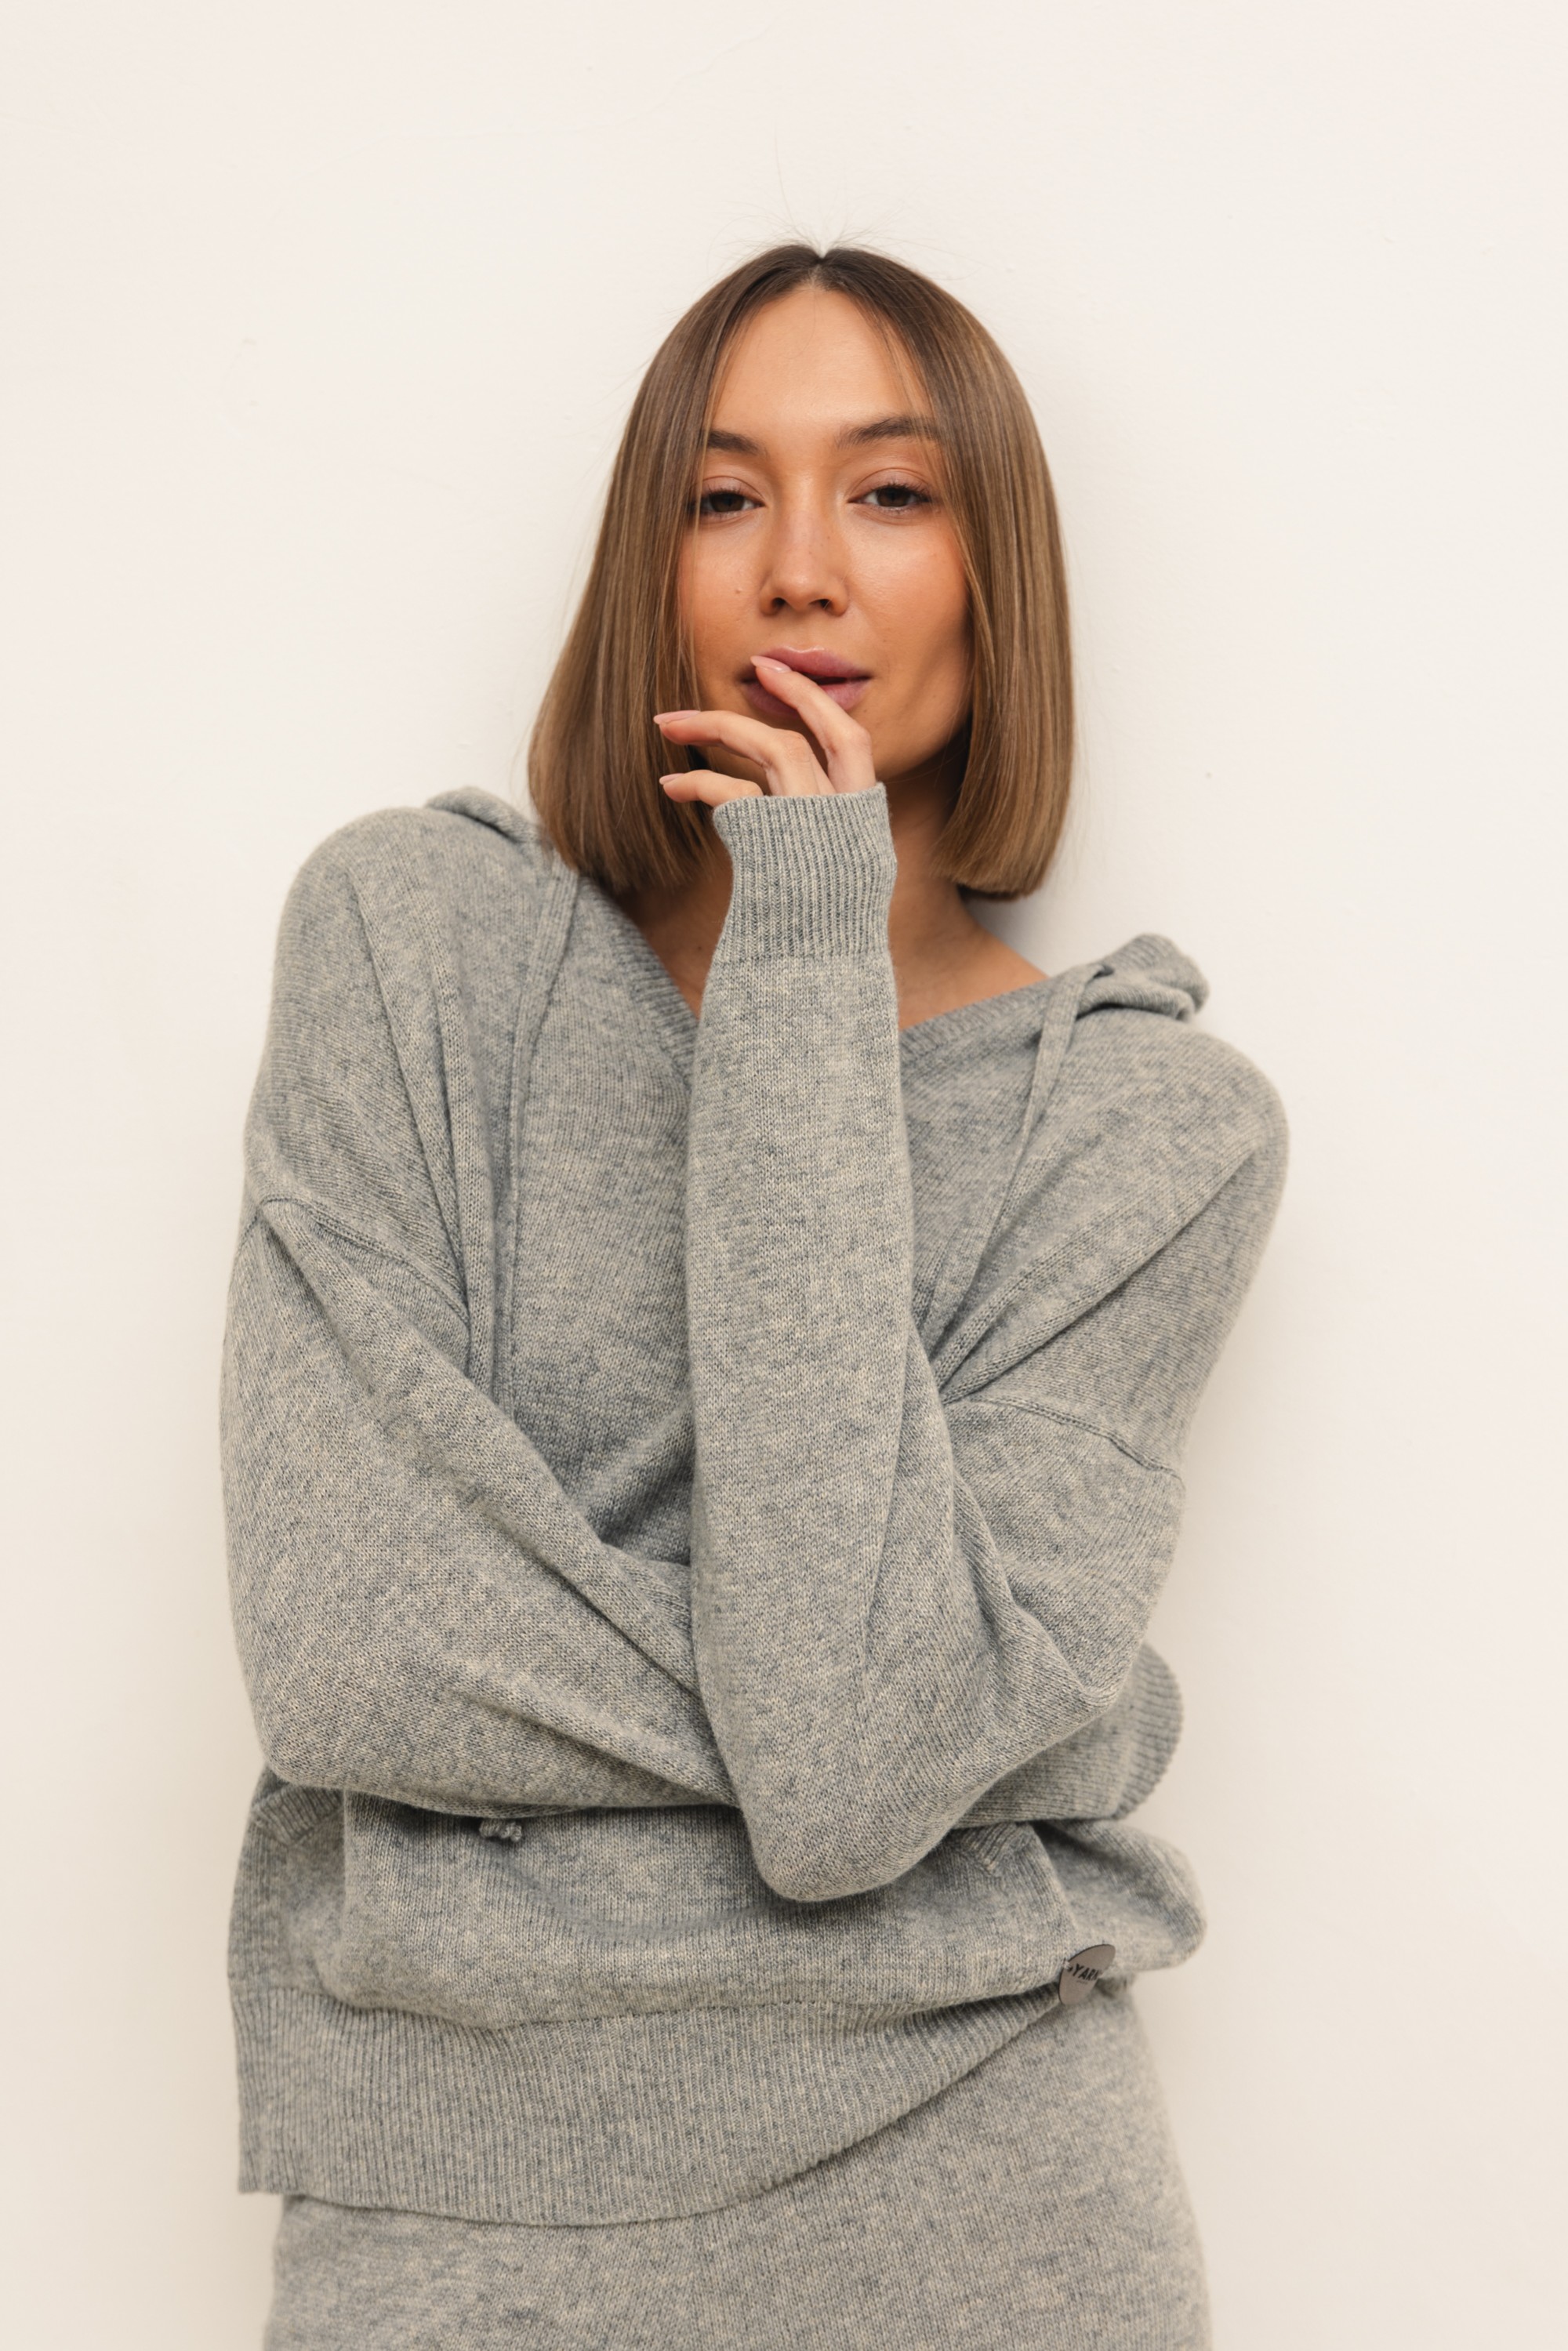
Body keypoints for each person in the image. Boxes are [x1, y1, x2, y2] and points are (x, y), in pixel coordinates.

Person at [223, 243, 1287, 2349]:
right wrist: (992, 1729)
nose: (802, 567)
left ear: (996, 577)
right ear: (653, 566)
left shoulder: (1147, 1129)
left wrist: (805, 947)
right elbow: (350, 1646)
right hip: (461, 2197)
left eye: (890, 493)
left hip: (984, 2206)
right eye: (725, 497)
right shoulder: (415, 945)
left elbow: (849, 1761)